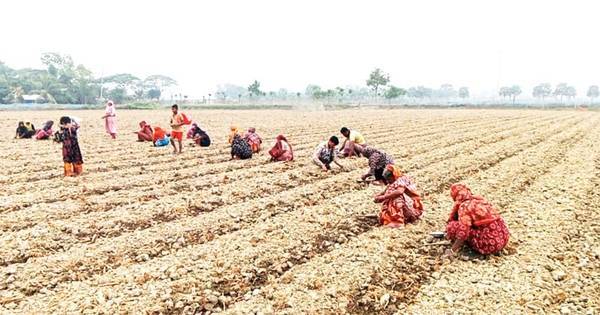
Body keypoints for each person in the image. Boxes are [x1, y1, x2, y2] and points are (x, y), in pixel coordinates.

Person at [444, 183, 510, 256]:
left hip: (491, 244)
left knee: (452, 227)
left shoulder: (465, 206)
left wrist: (452, 250)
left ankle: (478, 246)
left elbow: (463, 231)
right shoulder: (479, 199)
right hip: (503, 237)